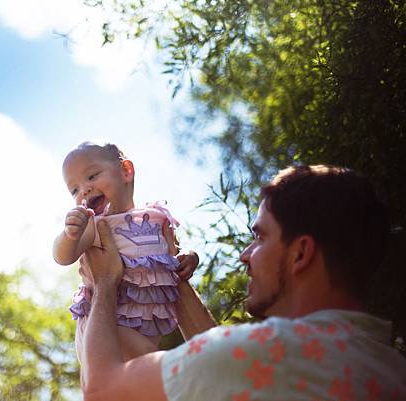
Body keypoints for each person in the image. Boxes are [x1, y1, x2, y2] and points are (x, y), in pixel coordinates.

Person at [80, 165, 406, 401]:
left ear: (301, 253)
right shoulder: (387, 365)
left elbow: (103, 390)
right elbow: (219, 361)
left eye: (260, 237)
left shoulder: (266, 353)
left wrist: (107, 281)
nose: (244, 255)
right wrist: (164, 269)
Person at [53, 141, 199, 362]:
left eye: (92, 176)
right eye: (74, 189)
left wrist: (189, 257)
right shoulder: (95, 224)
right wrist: (69, 235)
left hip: (147, 328)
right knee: (158, 367)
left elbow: (172, 254)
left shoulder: (156, 218)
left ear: (126, 171)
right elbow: (62, 257)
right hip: (104, 326)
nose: (84, 190)